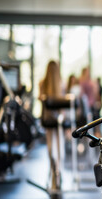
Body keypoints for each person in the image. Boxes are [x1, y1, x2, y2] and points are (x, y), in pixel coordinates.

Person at [39, 60, 64, 191]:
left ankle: (55, 171)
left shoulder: (43, 84)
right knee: (58, 149)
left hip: (48, 120)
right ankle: (58, 172)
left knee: (51, 148)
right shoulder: (60, 84)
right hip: (57, 120)